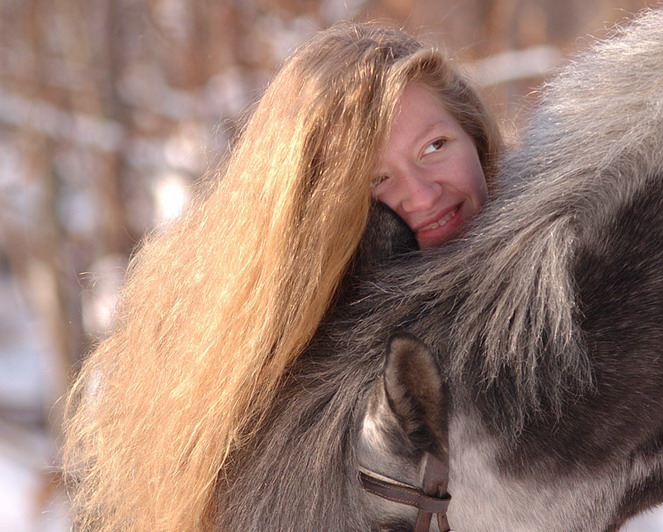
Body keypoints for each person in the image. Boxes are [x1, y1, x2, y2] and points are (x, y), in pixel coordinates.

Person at [63, 21, 503, 531]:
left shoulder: (576, 269)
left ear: (474, 135)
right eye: (376, 179)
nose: (424, 195)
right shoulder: (290, 380)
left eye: (435, 146)